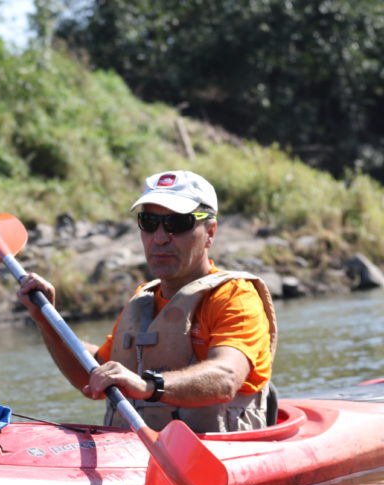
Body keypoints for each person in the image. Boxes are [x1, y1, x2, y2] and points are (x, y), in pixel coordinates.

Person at [17, 170, 278, 432]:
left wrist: (147, 386)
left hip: (220, 456)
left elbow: (226, 378)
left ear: (210, 232)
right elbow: (91, 374)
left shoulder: (236, 296)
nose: (160, 237)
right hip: (134, 456)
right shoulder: (144, 297)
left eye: (178, 224)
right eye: (149, 222)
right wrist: (46, 320)